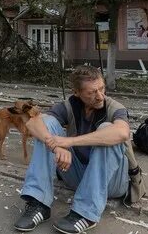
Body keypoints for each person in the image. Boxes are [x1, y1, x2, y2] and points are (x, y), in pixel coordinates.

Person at [13, 65, 131, 233]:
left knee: (108, 129)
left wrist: (69, 142)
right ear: (77, 92)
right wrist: (55, 145)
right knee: (46, 126)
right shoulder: (70, 105)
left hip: (112, 181)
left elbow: (122, 132)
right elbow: (33, 123)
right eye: (92, 92)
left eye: (102, 88)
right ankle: (38, 204)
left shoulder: (114, 107)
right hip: (78, 176)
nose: (100, 96)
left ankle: (86, 214)